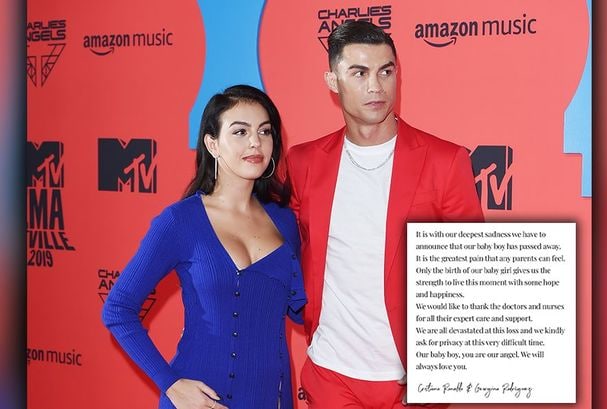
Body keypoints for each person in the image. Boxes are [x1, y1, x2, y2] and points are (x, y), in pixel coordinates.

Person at [285, 21, 483, 408]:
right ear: (332, 80)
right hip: (330, 372)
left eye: (386, 71)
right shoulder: (303, 162)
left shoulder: (445, 161)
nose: (376, 86)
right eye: (359, 73)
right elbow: (288, 246)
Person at [102, 85, 306, 409]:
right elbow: (117, 308)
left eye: (265, 131)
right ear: (212, 144)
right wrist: (170, 384)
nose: (255, 142)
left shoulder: (285, 222)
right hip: (198, 401)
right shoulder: (180, 221)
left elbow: (301, 311)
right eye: (240, 132)